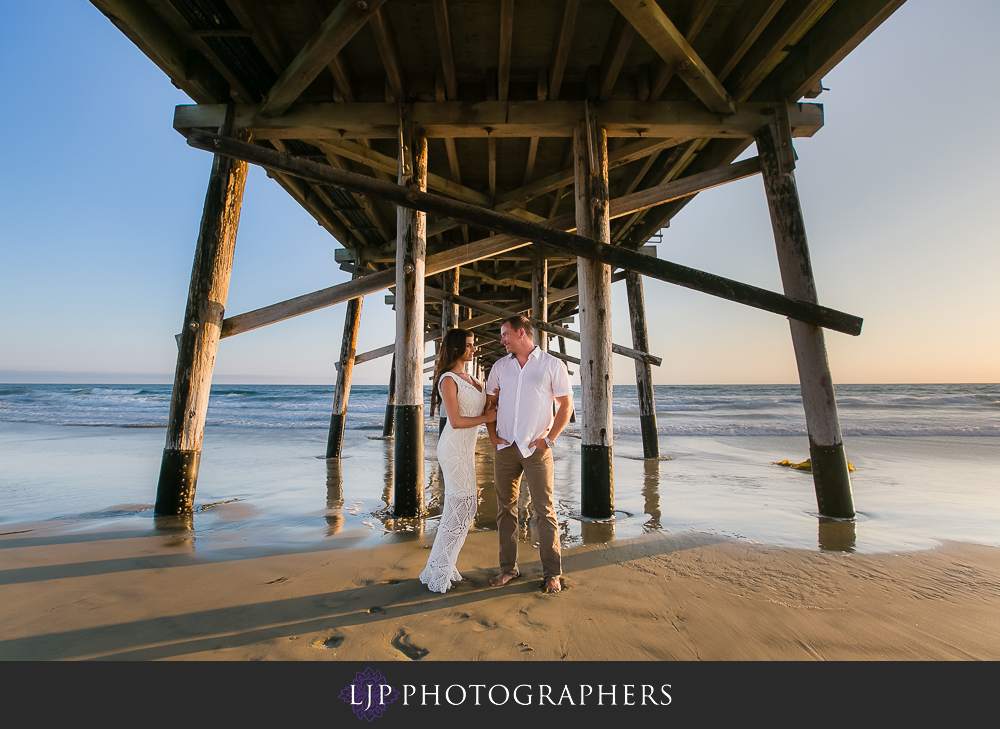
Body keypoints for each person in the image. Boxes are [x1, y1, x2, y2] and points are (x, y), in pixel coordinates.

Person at [485, 316, 574, 594]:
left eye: (505, 334)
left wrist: (549, 440)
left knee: (544, 511)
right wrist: (492, 436)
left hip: (536, 449)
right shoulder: (500, 367)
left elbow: (565, 405)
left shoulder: (551, 365)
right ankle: (507, 569)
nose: (502, 340)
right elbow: (490, 403)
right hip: (506, 448)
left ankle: (552, 574)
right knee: (505, 510)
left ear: (521, 333)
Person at [419, 328, 496, 593]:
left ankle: (443, 566)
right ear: (455, 348)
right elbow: (456, 421)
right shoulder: (448, 380)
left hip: (466, 449)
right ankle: (440, 571)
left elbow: (482, 407)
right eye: (469, 345)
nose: (474, 349)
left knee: (461, 507)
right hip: (453, 448)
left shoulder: (472, 378)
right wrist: (487, 419)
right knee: (464, 506)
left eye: (473, 344)